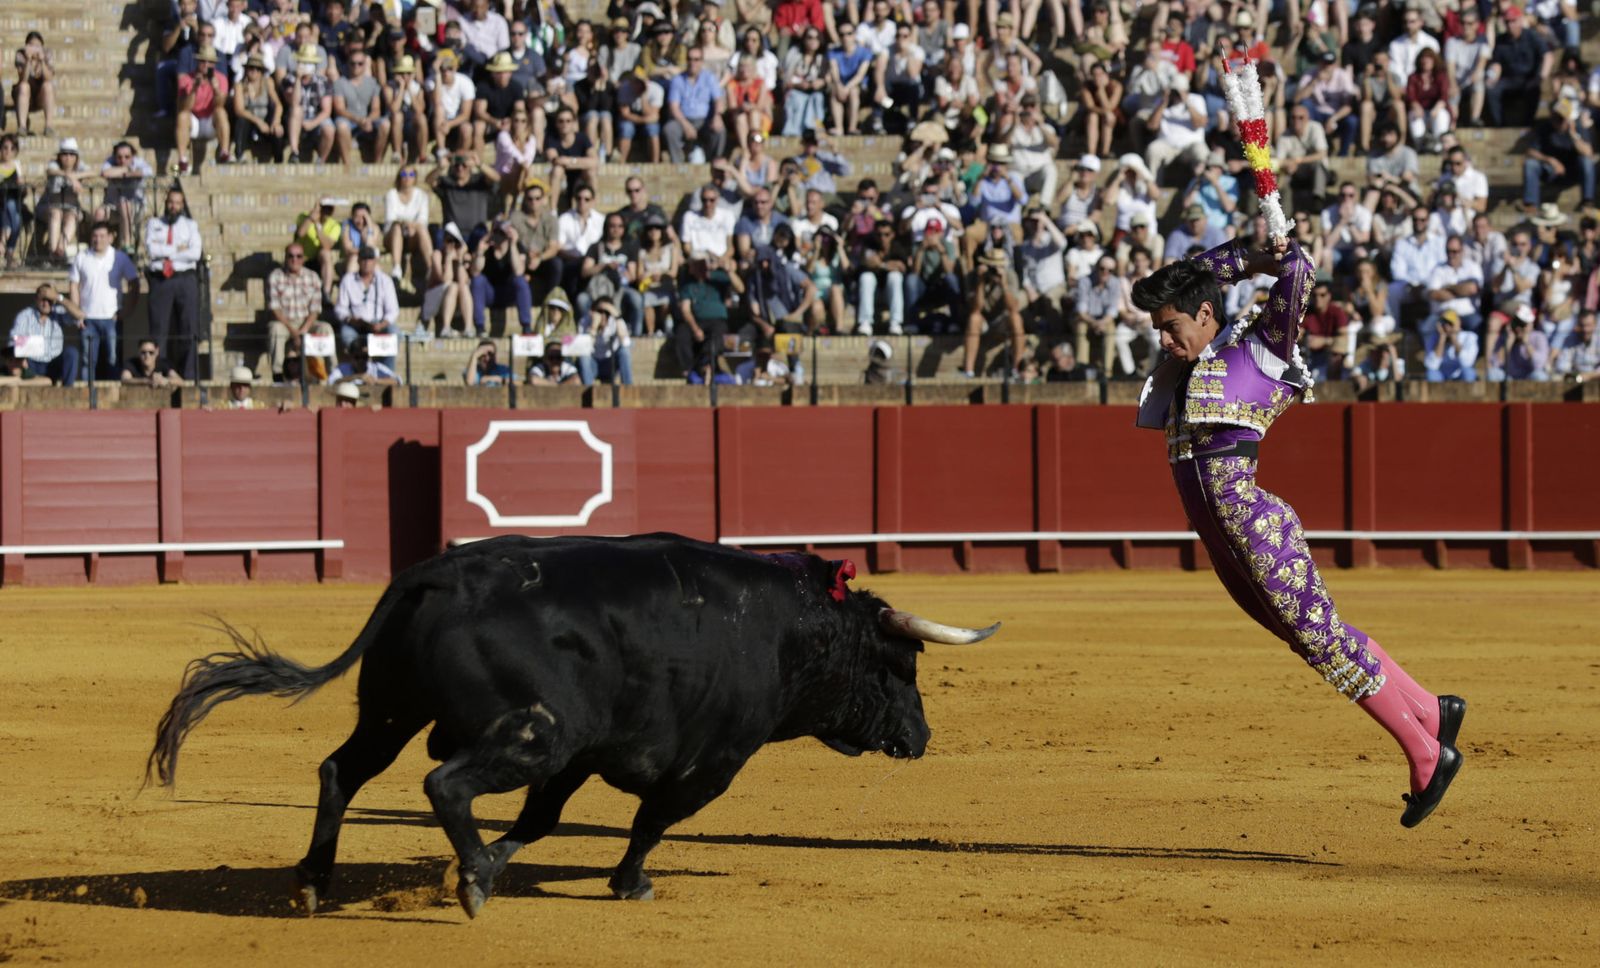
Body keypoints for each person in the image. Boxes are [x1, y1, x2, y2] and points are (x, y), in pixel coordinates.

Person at [1130, 234, 1466, 828]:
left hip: (1256, 532)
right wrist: (1241, 254)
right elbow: (1187, 274)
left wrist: (1266, 258)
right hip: (1227, 544)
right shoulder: (1191, 363)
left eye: (1171, 324)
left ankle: (1424, 753)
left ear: (1206, 315)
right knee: (1316, 637)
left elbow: (1298, 268)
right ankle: (1430, 713)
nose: (1162, 338)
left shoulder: (1260, 345)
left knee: (1323, 642)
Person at [68, 222, 143, 384]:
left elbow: (134, 282)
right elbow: (73, 285)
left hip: (112, 318)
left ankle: (112, 397)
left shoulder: (119, 257)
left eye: (102, 236)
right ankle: (87, 397)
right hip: (88, 318)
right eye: (95, 236)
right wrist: (77, 313)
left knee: (113, 359)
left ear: (110, 237)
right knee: (88, 360)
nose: (98, 240)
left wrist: (127, 310)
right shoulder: (82, 257)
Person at [144, 187, 202, 380]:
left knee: (188, 329)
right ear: (165, 202)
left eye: (178, 203)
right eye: (171, 202)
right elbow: (151, 250)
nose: (174, 206)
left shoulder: (190, 225)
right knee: (158, 330)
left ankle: (189, 374)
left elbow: (195, 253)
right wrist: (179, 248)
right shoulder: (154, 223)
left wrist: (166, 251)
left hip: (185, 278)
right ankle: (158, 372)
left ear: (183, 205)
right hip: (161, 279)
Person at [268, 243, 336, 382]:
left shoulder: (313, 277)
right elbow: (275, 310)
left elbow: (315, 309)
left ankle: (333, 373)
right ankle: (278, 375)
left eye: (298, 256)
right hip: (286, 323)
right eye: (291, 256)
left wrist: (303, 331)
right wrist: (294, 332)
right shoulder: (275, 277)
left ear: (303, 259)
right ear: (285, 258)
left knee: (326, 328)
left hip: (307, 322)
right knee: (275, 329)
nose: (295, 260)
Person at [961, 248, 1025, 379]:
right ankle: (968, 371)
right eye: (991, 266)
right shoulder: (973, 276)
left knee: (1016, 318)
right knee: (974, 318)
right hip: (982, 321)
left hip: (1002, 321)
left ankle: (1016, 369)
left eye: (998, 266)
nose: (994, 270)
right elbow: (976, 308)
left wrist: (1004, 285)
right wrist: (980, 282)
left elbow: (1013, 307)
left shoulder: (1010, 275)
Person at [334, 246, 400, 370]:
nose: (366, 262)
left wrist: (381, 325)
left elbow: (393, 310)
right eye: (363, 258)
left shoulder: (385, 281)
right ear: (358, 261)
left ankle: (387, 372)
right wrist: (353, 320)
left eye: (369, 259)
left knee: (394, 333)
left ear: (375, 262)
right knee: (346, 335)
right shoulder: (348, 280)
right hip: (355, 324)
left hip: (378, 324)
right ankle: (355, 370)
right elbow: (340, 310)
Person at [469, 221, 533, 335]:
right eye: (496, 232)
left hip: (509, 293)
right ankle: (479, 327)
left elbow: (519, 271)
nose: (499, 236)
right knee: (478, 280)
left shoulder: (518, 247)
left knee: (520, 281)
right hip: (489, 294)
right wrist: (480, 251)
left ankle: (526, 326)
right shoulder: (486, 248)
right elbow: (474, 272)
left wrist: (513, 244)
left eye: (502, 233)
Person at [665, 46, 726, 163]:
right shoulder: (677, 80)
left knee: (719, 129)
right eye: (690, 59)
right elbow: (673, 106)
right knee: (670, 129)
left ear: (702, 61)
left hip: (705, 120)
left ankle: (716, 163)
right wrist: (685, 125)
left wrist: (717, 116)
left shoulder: (709, 78)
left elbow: (718, 99)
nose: (693, 62)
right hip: (683, 119)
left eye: (696, 59)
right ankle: (678, 165)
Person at [8, 284, 78, 385]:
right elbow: (12, 342)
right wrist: (22, 356)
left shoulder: (58, 313)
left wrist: (58, 297)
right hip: (31, 364)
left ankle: (67, 391)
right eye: (43, 299)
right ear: (36, 299)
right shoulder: (25, 315)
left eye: (49, 300)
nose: (46, 304)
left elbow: (80, 315)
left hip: (54, 364)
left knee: (71, 352)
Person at [176, 45, 230, 172]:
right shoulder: (186, 79)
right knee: (182, 116)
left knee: (221, 112)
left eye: (210, 62)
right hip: (193, 121)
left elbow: (220, 104)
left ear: (214, 64)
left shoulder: (221, 79)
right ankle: (182, 159)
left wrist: (216, 89)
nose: (206, 65)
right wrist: (194, 88)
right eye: (203, 61)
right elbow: (185, 107)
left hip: (210, 122)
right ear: (197, 62)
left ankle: (224, 152)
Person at [331, 46, 386, 165]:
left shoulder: (372, 82)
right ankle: (347, 164)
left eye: (360, 63)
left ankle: (378, 163)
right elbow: (339, 109)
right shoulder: (340, 83)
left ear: (365, 64)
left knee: (385, 124)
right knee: (341, 125)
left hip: (367, 120)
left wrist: (368, 120)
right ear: (348, 64)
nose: (356, 66)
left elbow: (376, 109)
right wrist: (358, 120)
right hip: (349, 120)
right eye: (353, 63)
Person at [97, 142, 155, 254]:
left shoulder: (139, 162)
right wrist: (127, 170)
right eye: (119, 157)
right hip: (112, 207)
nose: (123, 160)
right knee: (99, 213)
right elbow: (105, 173)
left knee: (124, 204)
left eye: (127, 157)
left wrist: (121, 172)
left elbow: (148, 172)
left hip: (135, 208)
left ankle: (127, 244)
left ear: (133, 156)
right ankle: (100, 245)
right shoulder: (110, 161)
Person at [383, 165, 432, 289]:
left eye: (411, 175)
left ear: (415, 178)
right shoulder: (391, 194)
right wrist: (405, 224)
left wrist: (411, 226)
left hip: (413, 236)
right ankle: (396, 269)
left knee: (421, 229)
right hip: (393, 236)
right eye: (404, 175)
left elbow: (423, 220)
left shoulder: (421, 195)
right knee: (397, 228)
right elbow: (391, 219)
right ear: (399, 177)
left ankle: (431, 268)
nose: (407, 178)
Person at [231, 53, 285, 162]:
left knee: (277, 130)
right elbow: (239, 110)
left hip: (266, 120)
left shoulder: (268, 82)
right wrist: (258, 122)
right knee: (242, 121)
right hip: (250, 122)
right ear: (246, 69)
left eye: (257, 69)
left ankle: (279, 161)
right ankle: (239, 156)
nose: (254, 71)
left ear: (261, 72)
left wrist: (276, 121)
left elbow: (278, 105)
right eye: (251, 68)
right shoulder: (239, 85)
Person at [580, 298, 633, 385]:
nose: (603, 315)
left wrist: (616, 316)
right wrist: (593, 327)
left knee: (625, 351)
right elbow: (584, 350)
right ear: (592, 312)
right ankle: (588, 391)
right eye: (600, 311)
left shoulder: (615, 320)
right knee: (584, 357)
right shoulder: (584, 322)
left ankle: (628, 389)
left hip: (611, 364)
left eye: (607, 312)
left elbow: (626, 343)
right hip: (593, 364)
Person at [13, 31, 57, 137]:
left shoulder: (47, 54)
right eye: (31, 45)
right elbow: (23, 79)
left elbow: (49, 78)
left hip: (40, 95)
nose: (34, 48)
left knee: (48, 86)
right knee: (24, 86)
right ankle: (22, 127)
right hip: (24, 94)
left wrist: (41, 62)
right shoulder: (21, 54)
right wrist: (28, 60)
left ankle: (48, 126)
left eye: (37, 46)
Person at [121, 338, 186, 387]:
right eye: (143, 352)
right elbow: (124, 380)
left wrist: (165, 380)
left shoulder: (163, 363)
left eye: (151, 352)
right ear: (138, 352)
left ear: (157, 352)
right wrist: (147, 381)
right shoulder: (131, 363)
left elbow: (180, 381)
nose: (147, 356)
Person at [0, 134, 23, 268]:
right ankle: (8, 252)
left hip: (13, 202)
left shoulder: (17, 165)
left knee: (14, 216)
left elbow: (21, 184)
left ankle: (3, 246)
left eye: (12, 148)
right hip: (2, 203)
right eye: (5, 147)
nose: (8, 151)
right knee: (10, 209)